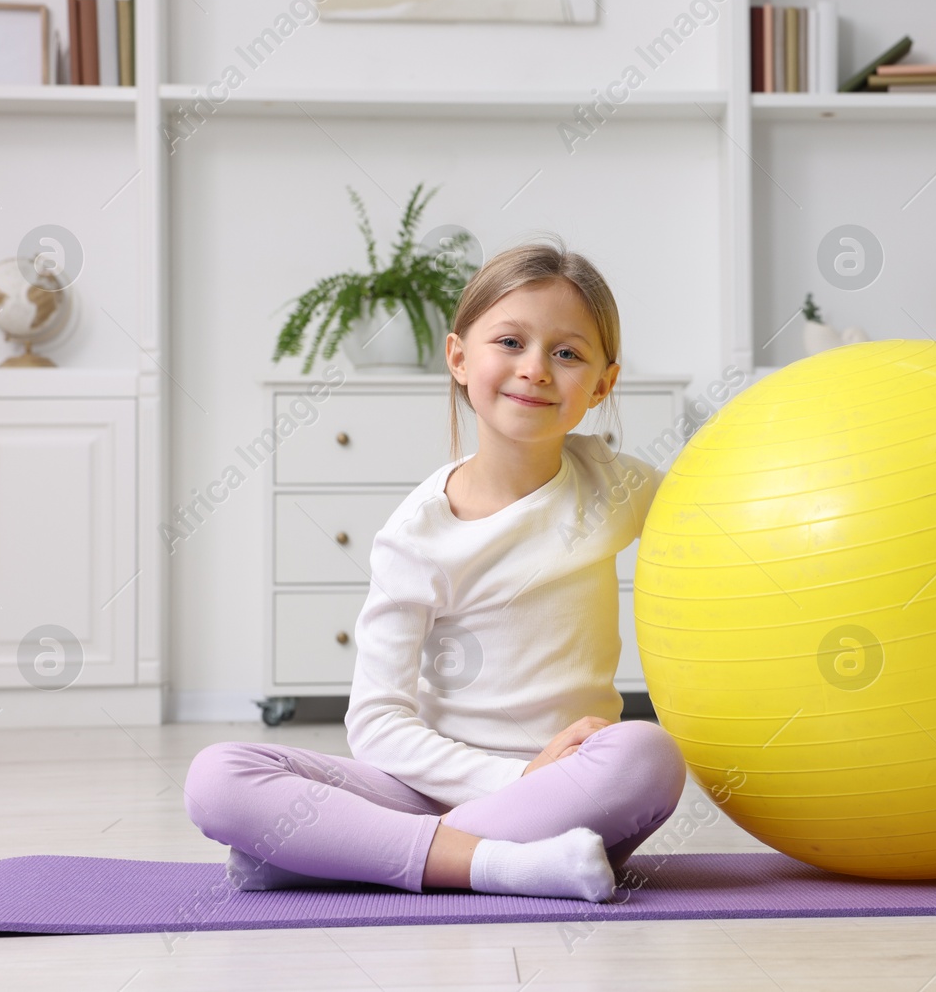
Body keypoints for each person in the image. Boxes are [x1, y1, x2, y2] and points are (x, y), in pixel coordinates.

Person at [183, 238, 688, 904]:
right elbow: (377, 723)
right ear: (458, 357)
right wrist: (513, 782)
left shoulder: (613, 484)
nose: (535, 368)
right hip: (431, 784)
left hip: (569, 787)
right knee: (219, 774)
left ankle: (356, 856)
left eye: (567, 353)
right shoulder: (417, 533)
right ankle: (500, 864)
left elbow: (713, 513)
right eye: (510, 342)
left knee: (648, 755)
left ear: (602, 384)